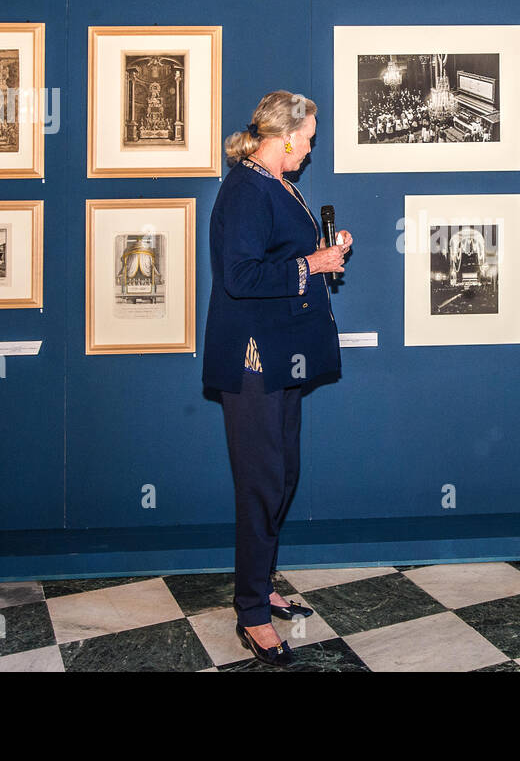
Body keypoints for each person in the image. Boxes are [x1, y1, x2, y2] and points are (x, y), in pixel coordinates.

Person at [201, 89, 353, 667]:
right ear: (283, 134)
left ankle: (261, 584)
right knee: (263, 481)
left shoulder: (274, 183)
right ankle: (252, 614)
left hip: (279, 354)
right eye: (309, 138)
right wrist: (312, 264)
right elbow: (239, 275)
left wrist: (321, 254)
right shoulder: (246, 188)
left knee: (282, 473)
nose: (311, 149)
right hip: (253, 360)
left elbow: (274, 260)